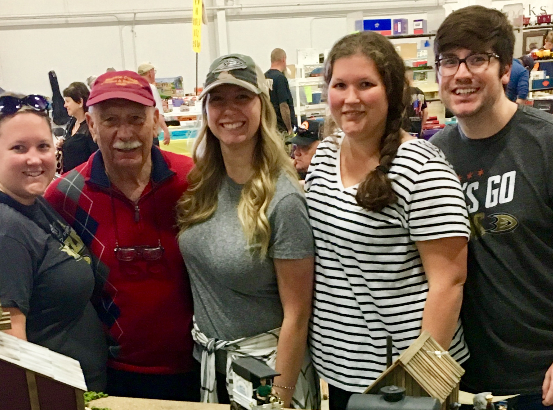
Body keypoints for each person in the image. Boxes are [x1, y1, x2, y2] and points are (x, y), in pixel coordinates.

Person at [430, 6, 553, 410]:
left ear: (505, 69)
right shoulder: (434, 157)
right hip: (477, 377)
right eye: (449, 61)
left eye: (477, 58)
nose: (461, 74)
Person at [305, 31, 470, 410]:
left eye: (366, 84)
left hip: (401, 376)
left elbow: (449, 281)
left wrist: (420, 385)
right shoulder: (326, 154)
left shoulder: (422, 169)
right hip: (342, 366)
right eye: (339, 85)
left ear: (391, 90)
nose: (350, 98)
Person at [44, 71, 198, 401]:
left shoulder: (193, 182)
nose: (125, 133)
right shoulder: (65, 197)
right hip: (110, 375)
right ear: (91, 124)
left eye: (136, 119)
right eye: (111, 119)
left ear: (156, 120)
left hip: (198, 367)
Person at [178, 54, 320, 409]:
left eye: (242, 97)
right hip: (213, 367)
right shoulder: (203, 185)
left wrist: (280, 398)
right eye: (218, 99)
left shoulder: (283, 200)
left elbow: (298, 313)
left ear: (262, 105)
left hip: (268, 372)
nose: (229, 110)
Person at [0, 93, 108, 391]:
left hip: (79, 388)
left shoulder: (26, 200)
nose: (35, 159)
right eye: (18, 148)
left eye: (43, 146)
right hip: (57, 397)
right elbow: (9, 355)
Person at [59, 82, 98, 173]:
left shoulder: (91, 127)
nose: (65, 105)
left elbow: (96, 159)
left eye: (68, 101)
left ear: (80, 102)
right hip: (68, 176)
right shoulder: (72, 122)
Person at [264, 48, 297, 134]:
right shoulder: (280, 78)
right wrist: (289, 128)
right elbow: (283, 105)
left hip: (269, 126)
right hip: (281, 128)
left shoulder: (264, 77)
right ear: (283, 59)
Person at [137, 62, 171, 146]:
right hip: (151, 133)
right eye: (154, 72)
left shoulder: (136, 87)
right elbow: (157, 112)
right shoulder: (150, 88)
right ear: (150, 73)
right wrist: (165, 130)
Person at [404, 66, 429, 135]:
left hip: (405, 126)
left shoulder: (402, 92)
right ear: (412, 78)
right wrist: (422, 126)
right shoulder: (419, 92)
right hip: (417, 125)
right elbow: (426, 111)